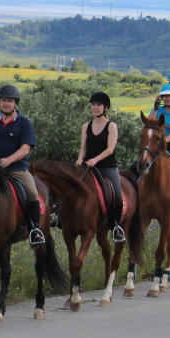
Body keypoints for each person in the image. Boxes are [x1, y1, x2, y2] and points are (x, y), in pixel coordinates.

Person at [0, 84, 45, 247]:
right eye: (3, 100)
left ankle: (35, 230)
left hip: (17, 169)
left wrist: (8, 160)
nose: (6, 103)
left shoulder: (25, 123)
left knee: (33, 193)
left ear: (16, 104)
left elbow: (25, 149)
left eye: (10, 101)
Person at [76, 91, 126, 243]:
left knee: (117, 196)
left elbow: (110, 149)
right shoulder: (86, 126)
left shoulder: (111, 126)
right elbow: (83, 147)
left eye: (99, 105)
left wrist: (95, 160)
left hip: (106, 166)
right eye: (93, 104)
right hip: (87, 166)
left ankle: (117, 226)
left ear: (105, 108)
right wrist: (80, 159)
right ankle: (62, 219)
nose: (95, 107)